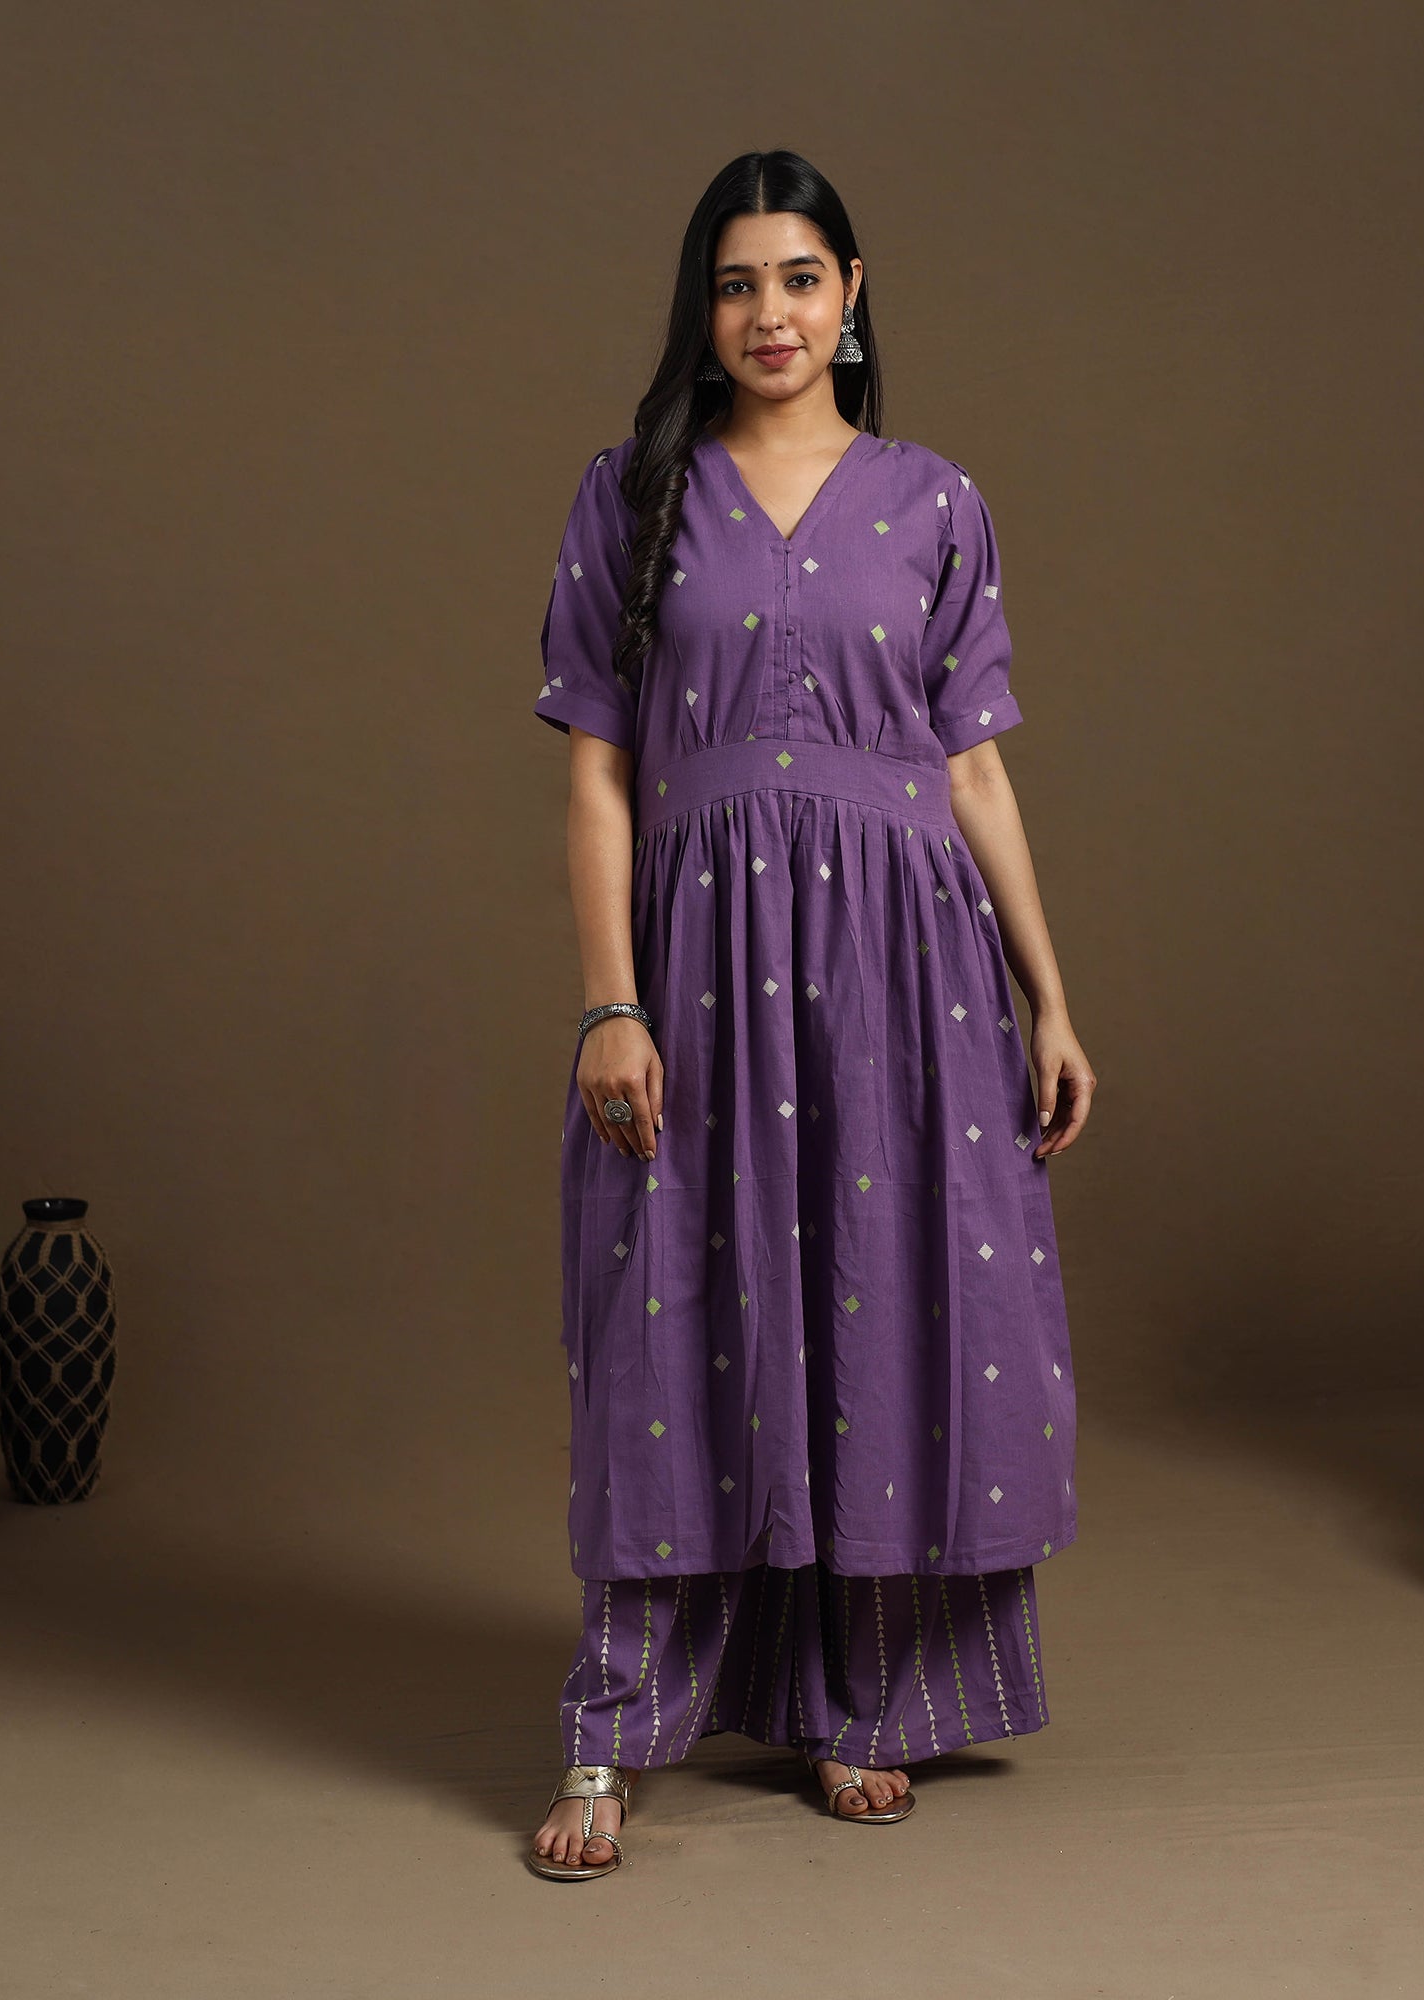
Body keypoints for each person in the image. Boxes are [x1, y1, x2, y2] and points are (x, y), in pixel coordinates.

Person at [526, 150, 1095, 1881]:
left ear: (852, 296)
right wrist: (609, 1003)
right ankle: (613, 1729)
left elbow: (974, 769)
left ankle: (869, 1703)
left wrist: (1052, 997)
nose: (767, 314)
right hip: (697, 961)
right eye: (734, 284)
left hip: (905, 974)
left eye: (797, 278)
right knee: (670, 1314)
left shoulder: (935, 500)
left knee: (887, 1307)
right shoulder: (633, 494)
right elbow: (598, 777)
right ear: (701, 311)